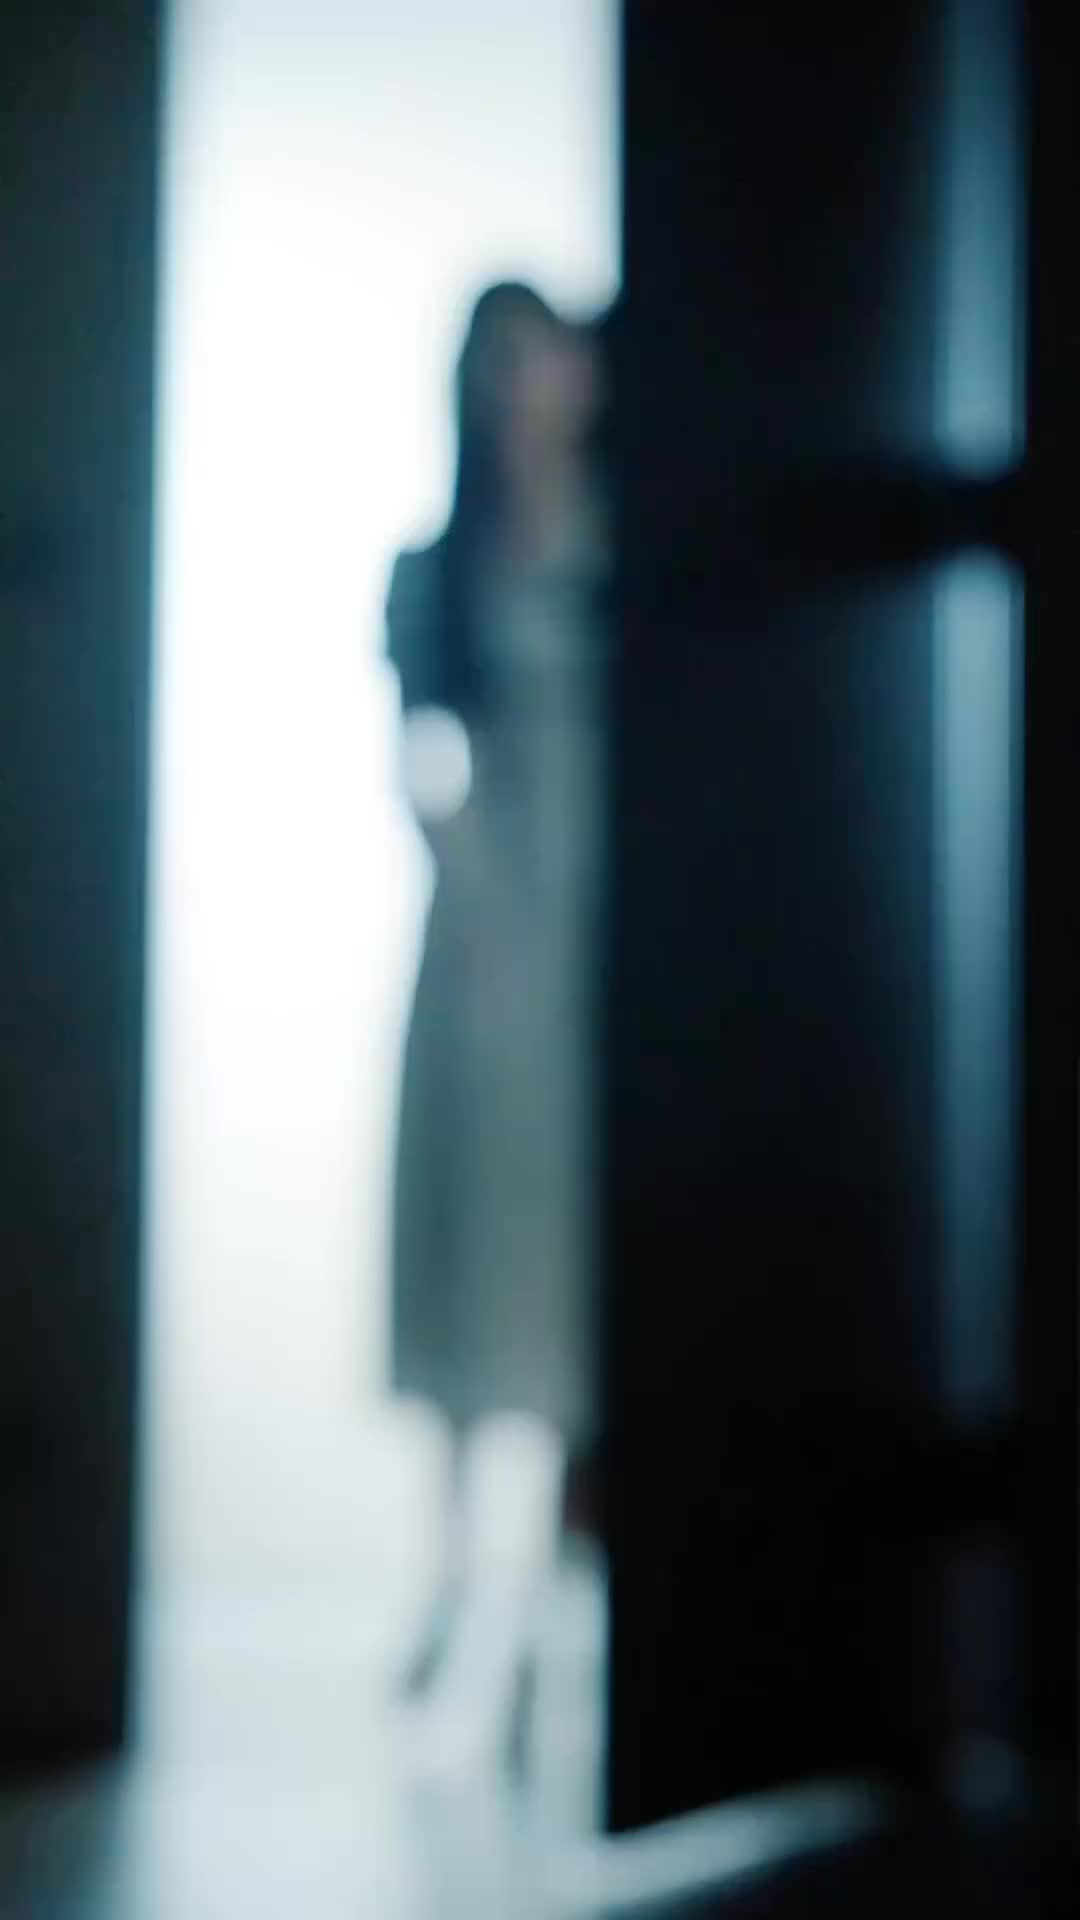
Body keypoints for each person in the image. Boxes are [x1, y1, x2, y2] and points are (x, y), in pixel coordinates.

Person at [385, 281, 608, 1770]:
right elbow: (420, 756)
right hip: (490, 946)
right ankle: (463, 1585)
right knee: (475, 1255)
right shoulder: (443, 567)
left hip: (613, 934)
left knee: (582, 1255)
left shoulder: (626, 546)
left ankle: (566, 1594)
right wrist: (478, 883)